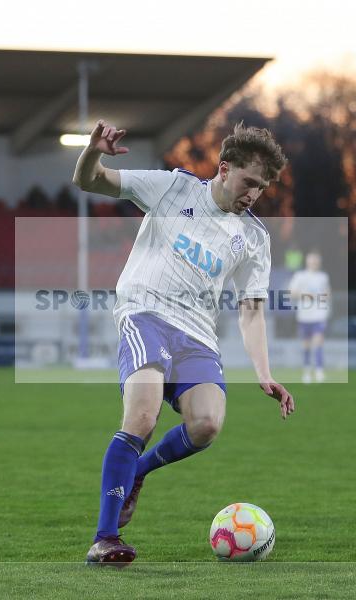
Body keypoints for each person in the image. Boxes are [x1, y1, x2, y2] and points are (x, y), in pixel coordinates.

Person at [73, 120, 295, 565]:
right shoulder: (174, 189)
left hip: (196, 334)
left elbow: (251, 309)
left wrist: (264, 373)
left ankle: (137, 471)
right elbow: (89, 180)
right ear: (225, 167)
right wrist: (92, 152)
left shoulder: (254, 237)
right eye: (249, 182)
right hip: (145, 313)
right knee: (142, 415)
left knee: (208, 424)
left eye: (262, 188)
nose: (254, 194)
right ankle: (105, 537)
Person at [289, 251, 331, 383]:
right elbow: (292, 293)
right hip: (304, 315)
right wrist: (307, 295)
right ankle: (307, 371)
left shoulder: (323, 277)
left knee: (318, 341)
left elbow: (327, 294)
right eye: (312, 260)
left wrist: (322, 297)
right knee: (306, 345)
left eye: (316, 261)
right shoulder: (300, 276)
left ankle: (319, 371)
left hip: (319, 315)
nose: (314, 263)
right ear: (307, 262)